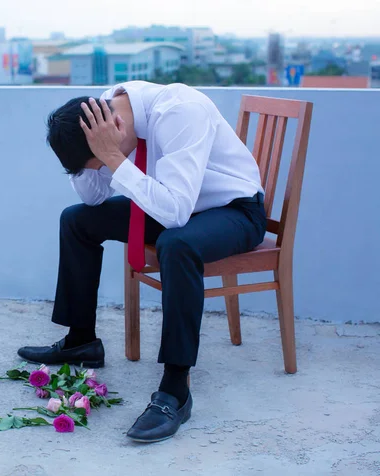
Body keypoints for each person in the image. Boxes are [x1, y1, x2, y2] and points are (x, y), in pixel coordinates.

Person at [18, 81, 266, 443]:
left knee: (177, 244)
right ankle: (81, 339)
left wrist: (113, 157)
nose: (104, 163)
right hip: (174, 203)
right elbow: (93, 197)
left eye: (101, 156)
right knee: (77, 220)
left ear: (115, 128)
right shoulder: (102, 114)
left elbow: (176, 212)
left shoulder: (182, 111)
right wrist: (99, 159)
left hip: (233, 209)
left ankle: (175, 389)